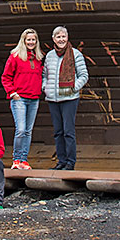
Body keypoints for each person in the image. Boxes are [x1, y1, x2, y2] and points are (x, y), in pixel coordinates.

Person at [42, 25, 88, 170]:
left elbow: (84, 75)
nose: (61, 39)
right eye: (58, 37)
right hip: (53, 99)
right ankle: (60, 161)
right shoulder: (49, 56)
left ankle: (70, 162)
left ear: (67, 38)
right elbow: (45, 75)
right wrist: (45, 87)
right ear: (53, 39)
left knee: (68, 131)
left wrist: (74, 87)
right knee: (58, 132)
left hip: (69, 98)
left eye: (63, 36)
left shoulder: (75, 54)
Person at [1, 28, 44, 170]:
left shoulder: (38, 58)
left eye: (33, 40)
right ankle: (16, 159)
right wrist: (12, 92)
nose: (31, 42)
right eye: (29, 39)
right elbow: (5, 77)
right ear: (23, 40)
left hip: (34, 99)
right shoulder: (15, 56)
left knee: (28, 131)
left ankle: (24, 160)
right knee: (20, 129)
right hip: (19, 98)